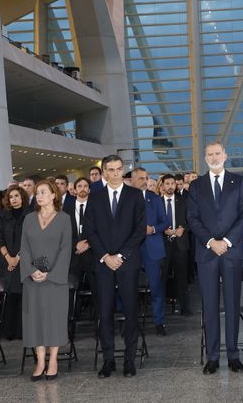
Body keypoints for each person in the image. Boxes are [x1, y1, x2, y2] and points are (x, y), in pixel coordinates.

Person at [187, 142, 243, 375]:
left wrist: (228, 241)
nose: (214, 157)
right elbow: (192, 218)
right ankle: (212, 357)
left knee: (233, 305)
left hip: (232, 252)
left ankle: (234, 355)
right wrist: (211, 242)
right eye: (209, 154)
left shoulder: (239, 182)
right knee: (210, 305)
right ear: (205, 159)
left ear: (226, 155)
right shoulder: (196, 185)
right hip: (207, 253)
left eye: (217, 153)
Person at [84, 155, 146, 378]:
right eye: (111, 170)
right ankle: (108, 360)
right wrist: (105, 256)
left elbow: (139, 230)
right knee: (105, 312)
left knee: (130, 311)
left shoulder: (135, 195)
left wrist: (120, 255)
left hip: (128, 263)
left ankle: (130, 359)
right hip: (103, 265)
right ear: (104, 173)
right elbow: (89, 230)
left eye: (119, 169)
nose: (116, 173)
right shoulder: (95, 197)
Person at [21, 179, 73, 381]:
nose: (39, 195)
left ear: (54, 195)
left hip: (55, 279)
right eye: (37, 192)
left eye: (43, 192)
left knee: (54, 318)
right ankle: (40, 361)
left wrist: (51, 274)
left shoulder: (64, 219)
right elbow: (24, 248)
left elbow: (66, 248)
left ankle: (53, 360)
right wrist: (32, 270)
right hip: (32, 279)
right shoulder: (28, 219)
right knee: (34, 319)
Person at [132, 167, 168, 335]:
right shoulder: (125, 199)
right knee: (130, 288)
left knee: (155, 287)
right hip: (131, 250)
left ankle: (159, 322)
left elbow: (165, 222)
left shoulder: (154, 199)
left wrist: (152, 229)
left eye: (146, 178)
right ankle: (132, 324)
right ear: (132, 180)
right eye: (140, 178)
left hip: (152, 248)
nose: (145, 181)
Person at [0, 184, 28, 340]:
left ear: (22, 197)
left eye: (17, 196)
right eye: (11, 197)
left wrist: (18, 257)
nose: (14, 199)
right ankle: (9, 332)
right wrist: (9, 257)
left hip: (25, 261)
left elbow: (30, 239)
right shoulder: (1, 216)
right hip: (6, 262)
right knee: (10, 296)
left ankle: (23, 331)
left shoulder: (30, 214)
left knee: (23, 296)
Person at [64, 177, 97, 318]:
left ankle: (99, 324)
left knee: (98, 291)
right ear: (75, 189)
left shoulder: (97, 207)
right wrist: (75, 244)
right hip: (73, 257)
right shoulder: (66, 209)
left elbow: (102, 230)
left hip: (93, 255)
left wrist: (88, 243)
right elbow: (62, 233)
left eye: (85, 186)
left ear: (89, 189)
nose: (82, 188)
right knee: (70, 293)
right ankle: (70, 325)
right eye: (79, 186)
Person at [158, 173, 191, 314]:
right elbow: (152, 223)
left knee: (182, 277)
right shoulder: (156, 202)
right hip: (162, 245)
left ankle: (184, 307)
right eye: (168, 184)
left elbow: (192, 220)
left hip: (180, 244)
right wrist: (162, 230)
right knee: (162, 277)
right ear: (162, 186)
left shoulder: (184, 201)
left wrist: (183, 229)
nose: (171, 186)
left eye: (173, 184)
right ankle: (161, 310)